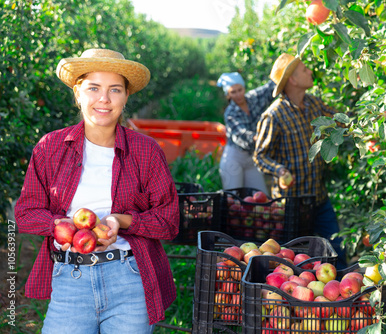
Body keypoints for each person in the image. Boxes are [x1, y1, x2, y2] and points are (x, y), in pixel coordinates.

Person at [14, 48, 179, 333]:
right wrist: (60, 225)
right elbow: (25, 213)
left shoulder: (146, 151)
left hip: (129, 278)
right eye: (93, 88)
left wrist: (120, 220)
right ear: (77, 93)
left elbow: (169, 221)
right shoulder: (49, 148)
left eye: (115, 89)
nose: (104, 99)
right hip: (70, 278)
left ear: (126, 96)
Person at [252, 53, 347, 268]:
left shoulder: (314, 105)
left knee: (337, 249)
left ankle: (343, 295)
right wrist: (279, 170)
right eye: (304, 69)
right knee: (291, 258)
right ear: (292, 80)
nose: (310, 71)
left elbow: (340, 120)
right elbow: (260, 156)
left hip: (318, 197)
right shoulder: (274, 116)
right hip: (290, 205)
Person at [217, 72, 276, 195]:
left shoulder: (254, 98)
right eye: (233, 92)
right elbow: (240, 134)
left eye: (240, 90)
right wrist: (258, 138)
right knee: (233, 199)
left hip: (251, 158)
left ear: (244, 88)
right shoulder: (230, 113)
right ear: (228, 94)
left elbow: (271, 87)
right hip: (234, 159)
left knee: (260, 196)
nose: (238, 95)